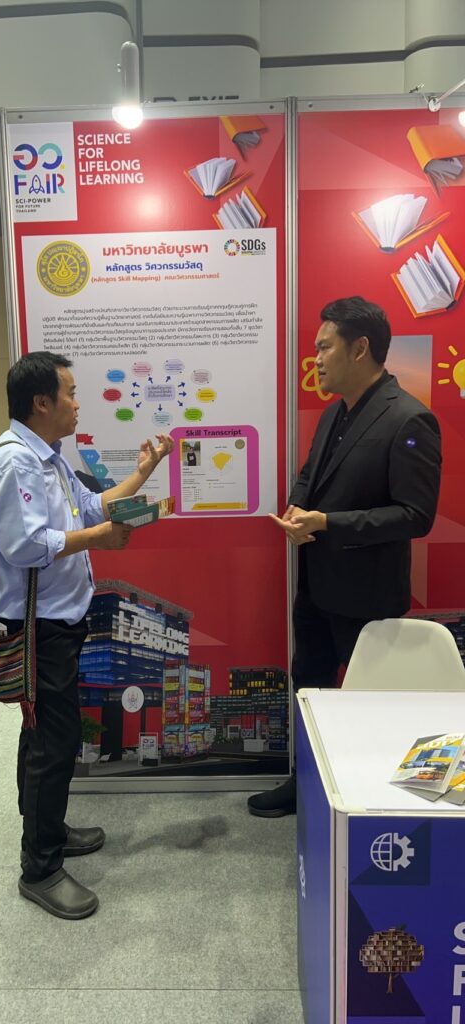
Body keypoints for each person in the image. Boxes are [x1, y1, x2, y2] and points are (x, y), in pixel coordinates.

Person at [0, 351, 173, 917]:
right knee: (53, 743)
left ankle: (48, 828)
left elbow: (89, 506)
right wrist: (100, 539)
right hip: (36, 627)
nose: (77, 403)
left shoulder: (48, 458)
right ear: (42, 402)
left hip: (58, 621)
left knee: (44, 734)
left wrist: (143, 473)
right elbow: (25, 545)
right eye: (70, 393)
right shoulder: (15, 462)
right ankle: (40, 868)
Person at [248, 296, 442, 818]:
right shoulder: (336, 411)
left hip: (367, 597)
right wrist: (298, 507)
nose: (315, 359)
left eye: (324, 347)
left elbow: (415, 515)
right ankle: (306, 783)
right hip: (316, 585)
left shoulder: (409, 418)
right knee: (309, 687)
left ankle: (364, 800)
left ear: (360, 349)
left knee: (365, 702)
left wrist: (329, 524)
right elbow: (312, 474)